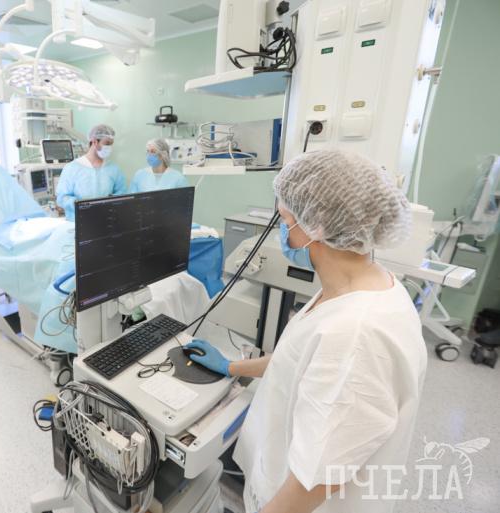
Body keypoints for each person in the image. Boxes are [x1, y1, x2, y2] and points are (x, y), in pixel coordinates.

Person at [186, 150, 426, 513]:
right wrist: (232, 367)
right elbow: (300, 360)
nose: (281, 232)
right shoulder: (360, 286)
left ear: (317, 226)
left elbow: (314, 480)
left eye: (284, 220)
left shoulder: (356, 334)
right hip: (276, 478)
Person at [55, 124, 127, 220]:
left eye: (111, 144)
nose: (110, 148)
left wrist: (108, 204)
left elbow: (122, 194)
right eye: (107, 143)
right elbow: (62, 198)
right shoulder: (72, 168)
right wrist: (83, 206)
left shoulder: (113, 169)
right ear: (95, 142)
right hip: (78, 221)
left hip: (106, 220)